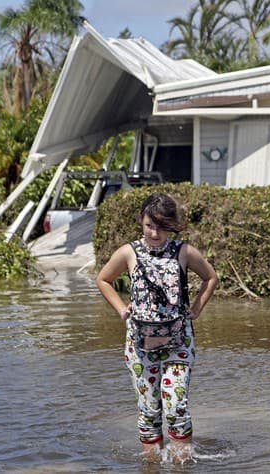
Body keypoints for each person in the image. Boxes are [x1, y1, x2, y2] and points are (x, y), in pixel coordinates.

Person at [96, 192, 218, 463]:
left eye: (161, 227)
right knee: (149, 410)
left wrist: (196, 308)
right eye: (150, 225)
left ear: (171, 225)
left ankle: (182, 465)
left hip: (178, 343)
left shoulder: (183, 251)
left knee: (176, 406)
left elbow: (210, 277)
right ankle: (152, 466)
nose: (154, 233)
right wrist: (121, 309)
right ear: (141, 221)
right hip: (139, 347)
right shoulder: (129, 252)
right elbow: (103, 279)